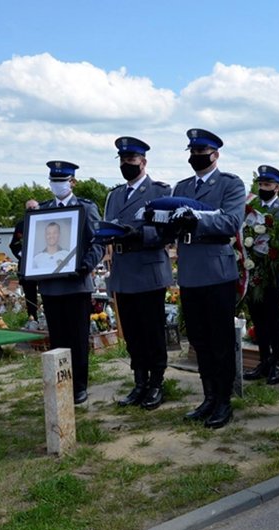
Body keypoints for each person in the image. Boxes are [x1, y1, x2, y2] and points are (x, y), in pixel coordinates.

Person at [172, 129, 245, 429]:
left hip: (217, 272)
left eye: (202, 152)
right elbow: (172, 221)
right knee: (200, 341)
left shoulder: (230, 184)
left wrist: (198, 218)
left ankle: (224, 401)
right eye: (192, 151)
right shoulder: (182, 186)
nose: (196, 157)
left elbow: (231, 221)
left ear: (215, 154)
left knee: (220, 341)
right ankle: (209, 396)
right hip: (190, 272)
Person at [104, 136, 172, 410]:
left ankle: (156, 383)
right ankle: (139, 381)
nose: (126, 164)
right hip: (123, 270)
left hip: (147, 268)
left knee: (151, 330)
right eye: (122, 160)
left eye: (131, 160)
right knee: (131, 332)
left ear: (143, 162)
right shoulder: (115, 195)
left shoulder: (160, 192)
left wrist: (139, 234)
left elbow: (167, 231)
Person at [38, 161, 104, 405]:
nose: (57, 185)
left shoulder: (85, 208)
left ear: (72, 182)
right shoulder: (43, 211)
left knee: (77, 338)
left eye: (62, 181)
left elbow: (98, 241)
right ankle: (60, 383)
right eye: (53, 181)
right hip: (51, 285)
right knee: (57, 338)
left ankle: (79, 386)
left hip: (77, 284)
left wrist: (86, 264)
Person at [241, 165, 279, 385]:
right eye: (261, 184)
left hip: (273, 272)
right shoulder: (251, 207)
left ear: (277, 187)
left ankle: (277, 362)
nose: (263, 188)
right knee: (257, 317)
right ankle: (263, 360)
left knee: (273, 318)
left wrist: (273, 244)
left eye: (267, 185)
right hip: (253, 270)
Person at [9, 199, 40, 320]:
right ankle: (33, 317)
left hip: (44, 264)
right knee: (30, 294)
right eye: (29, 208)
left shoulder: (46, 222)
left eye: (34, 208)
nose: (31, 210)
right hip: (27, 265)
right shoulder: (20, 225)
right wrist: (24, 255)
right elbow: (14, 245)